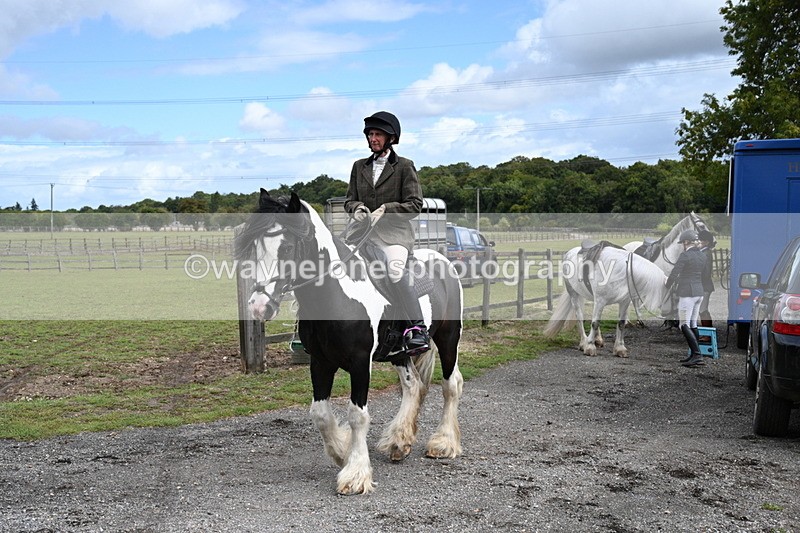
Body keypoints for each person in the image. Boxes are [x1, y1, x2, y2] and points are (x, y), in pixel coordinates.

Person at [344, 111, 429, 356]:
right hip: (361, 235)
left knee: (393, 270)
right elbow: (350, 200)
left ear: (391, 137)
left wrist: (387, 209)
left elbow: (415, 204)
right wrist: (357, 209)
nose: (373, 138)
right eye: (370, 134)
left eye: (378, 134)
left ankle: (417, 327)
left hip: (395, 236)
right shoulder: (359, 166)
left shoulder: (404, 166)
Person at [665, 229, 709, 368]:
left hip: (687, 294)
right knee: (693, 324)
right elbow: (705, 275)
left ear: (686, 242)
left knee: (683, 324)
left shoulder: (685, 256)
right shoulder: (702, 256)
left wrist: (667, 285)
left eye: (683, 242)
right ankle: (694, 354)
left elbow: (674, 272)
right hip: (699, 293)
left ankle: (697, 355)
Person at [697, 229, 716, 334]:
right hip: (703, 285)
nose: (699, 242)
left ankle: (707, 334)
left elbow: (706, 272)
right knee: (702, 310)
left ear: (707, 242)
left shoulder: (706, 253)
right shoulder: (703, 252)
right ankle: (707, 332)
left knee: (702, 310)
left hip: (704, 285)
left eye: (701, 240)